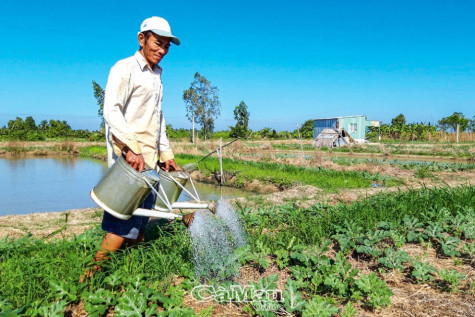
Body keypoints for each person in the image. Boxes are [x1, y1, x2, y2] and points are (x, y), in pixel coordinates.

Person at [81, 16, 180, 281]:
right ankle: (87, 279)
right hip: (130, 160)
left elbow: (157, 120)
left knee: (140, 219)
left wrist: (166, 153)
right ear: (142, 38)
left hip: (149, 159)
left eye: (166, 46)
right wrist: (130, 148)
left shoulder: (157, 76)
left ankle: (136, 272)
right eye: (158, 43)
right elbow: (111, 111)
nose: (162, 50)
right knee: (120, 225)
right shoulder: (124, 68)